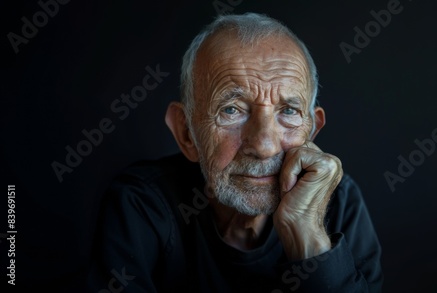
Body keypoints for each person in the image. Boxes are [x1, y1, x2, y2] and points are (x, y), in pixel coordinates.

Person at [87, 12, 383, 292]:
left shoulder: (340, 202)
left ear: (312, 131)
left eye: (289, 111)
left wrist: (308, 238)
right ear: (187, 134)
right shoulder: (142, 204)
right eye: (232, 110)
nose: (264, 147)